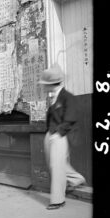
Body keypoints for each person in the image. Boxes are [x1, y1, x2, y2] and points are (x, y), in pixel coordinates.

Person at [38, 65, 86, 210]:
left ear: (52, 84)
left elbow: (70, 118)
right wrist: (49, 133)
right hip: (50, 134)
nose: (44, 87)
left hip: (59, 135)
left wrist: (58, 133)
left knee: (57, 166)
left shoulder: (67, 97)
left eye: (45, 84)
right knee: (53, 164)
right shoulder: (54, 97)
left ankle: (57, 200)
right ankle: (77, 179)